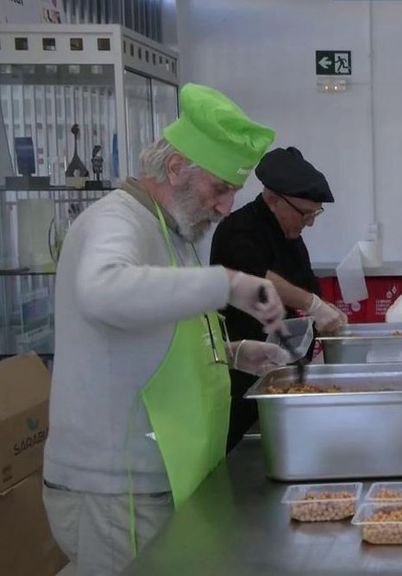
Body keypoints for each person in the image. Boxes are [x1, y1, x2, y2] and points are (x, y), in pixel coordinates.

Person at [42, 83, 291, 575]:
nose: (225, 208)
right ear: (176, 168)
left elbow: (154, 324)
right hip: (114, 490)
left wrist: (234, 352)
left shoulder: (169, 228)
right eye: (219, 189)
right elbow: (103, 290)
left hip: (159, 478)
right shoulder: (118, 221)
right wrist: (226, 283)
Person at [210, 146, 346, 451]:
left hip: (286, 375)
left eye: (315, 213)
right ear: (272, 199)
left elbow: (306, 285)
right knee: (242, 456)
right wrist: (311, 303)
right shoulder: (238, 230)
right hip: (245, 380)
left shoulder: (291, 236)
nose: (309, 222)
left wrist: (324, 312)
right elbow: (259, 280)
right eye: (305, 213)